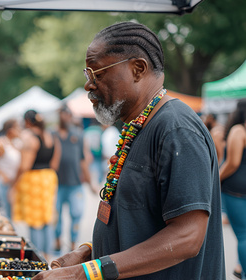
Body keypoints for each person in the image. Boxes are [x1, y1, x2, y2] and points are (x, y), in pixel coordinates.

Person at [33, 22, 224, 280]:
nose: (89, 85)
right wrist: (89, 252)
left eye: (97, 74)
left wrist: (85, 273)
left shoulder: (176, 129)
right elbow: (140, 224)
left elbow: (187, 237)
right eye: (87, 75)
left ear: (137, 69)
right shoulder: (140, 124)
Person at [12, 110, 61, 258]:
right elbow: (55, 162)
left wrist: (14, 183)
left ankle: (37, 257)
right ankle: (47, 255)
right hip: (48, 177)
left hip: (33, 179)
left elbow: (24, 165)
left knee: (34, 221)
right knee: (46, 218)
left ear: (27, 121)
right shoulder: (51, 136)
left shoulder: (30, 138)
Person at [53, 105, 94, 253]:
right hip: (56, 183)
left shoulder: (78, 135)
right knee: (55, 215)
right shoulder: (52, 134)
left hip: (75, 183)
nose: (65, 117)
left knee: (76, 214)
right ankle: (57, 240)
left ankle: (71, 244)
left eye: (67, 114)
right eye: (62, 114)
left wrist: (90, 183)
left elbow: (83, 160)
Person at [220, 99, 246, 280]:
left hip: (235, 190)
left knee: (243, 236)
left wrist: (214, 178)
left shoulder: (239, 130)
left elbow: (233, 163)